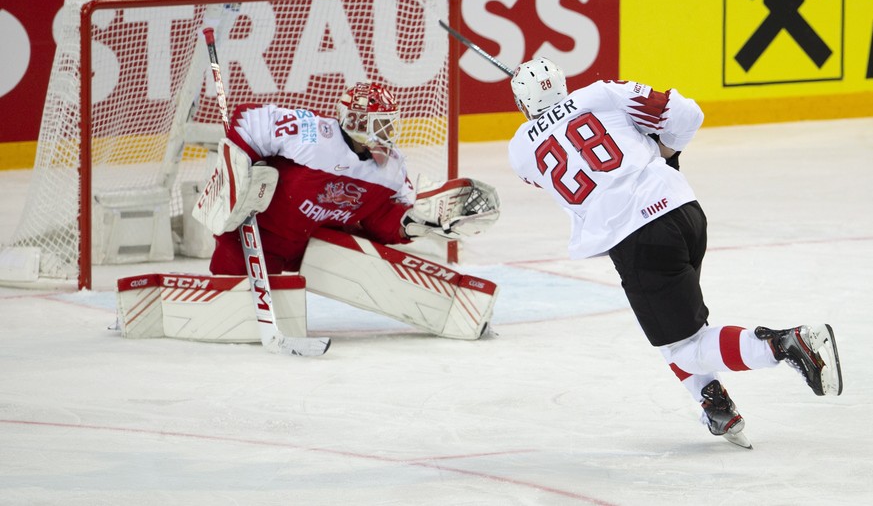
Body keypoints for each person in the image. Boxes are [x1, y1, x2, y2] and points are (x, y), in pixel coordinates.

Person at [506, 57, 843, 448]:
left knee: (686, 350)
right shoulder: (603, 94)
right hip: (683, 211)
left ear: (521, 105)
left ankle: (784, 345)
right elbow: (686, 113)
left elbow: (560, 168)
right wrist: (663, 150)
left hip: (638, 239)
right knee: (677, 331)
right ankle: (715, 404)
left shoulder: (519, 151)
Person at [197, 81, 497, 275]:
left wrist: (414, 223)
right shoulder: (313, 133)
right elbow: (249, 120)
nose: (388, 134)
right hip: (253, 236)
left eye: (390, 125)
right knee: (230, 303)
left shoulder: (391, 168)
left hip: (315, 251)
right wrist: (241, 169)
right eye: (380, 126)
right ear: (355, 122)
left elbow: (383, 220)